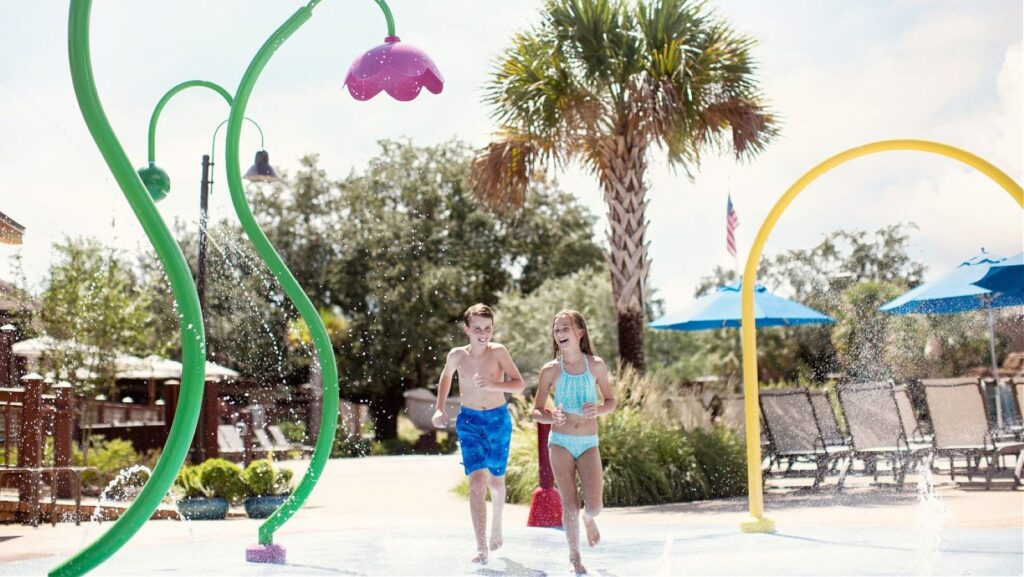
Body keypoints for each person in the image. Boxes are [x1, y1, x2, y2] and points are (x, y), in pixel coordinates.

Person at [433, 303, 525, 565]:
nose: (482, 333)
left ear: (492, 328)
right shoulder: (457, 356)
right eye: (477, 329)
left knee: (496, 481)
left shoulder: (499, 352)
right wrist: (439, 409)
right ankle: (481, 547)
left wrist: (494, 383)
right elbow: (445, 378)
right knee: (476, 483)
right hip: (470, 421)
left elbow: (519, 384)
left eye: (487, 328)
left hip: (497, 420)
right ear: (467, 330)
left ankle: (497, 521)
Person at [531, 309, 616, 575]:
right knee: (569, 504)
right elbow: (535, 411)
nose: (560, 333)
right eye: (556, 330)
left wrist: (599, 410)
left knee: (594, 506)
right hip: (561, 443)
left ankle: (589, 519)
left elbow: (611, 401)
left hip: (588, 441)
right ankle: (575, 556)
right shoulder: (551, 370)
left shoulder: (596, 365)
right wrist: (550, 416)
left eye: (565, 328)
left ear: (580, 332)